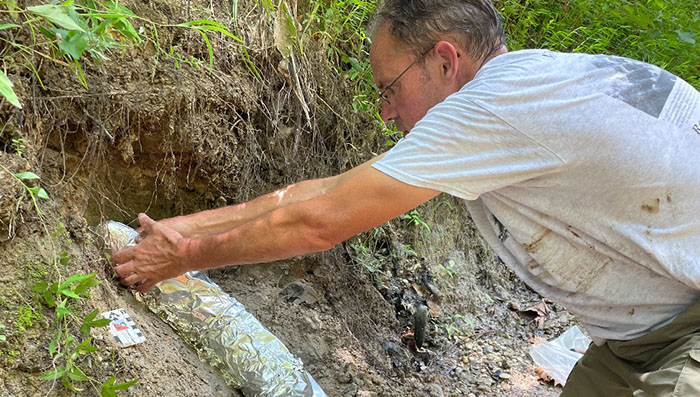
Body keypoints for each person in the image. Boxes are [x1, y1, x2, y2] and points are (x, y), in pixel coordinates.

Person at [113, 0, 700, 395]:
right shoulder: (530, 89)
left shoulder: (496, 107)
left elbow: (320, 223)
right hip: (643, 331)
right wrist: (185, 226)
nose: (386, 110)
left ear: (444, 61)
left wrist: (180, 260)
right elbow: (322, 190)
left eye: (389, 87)